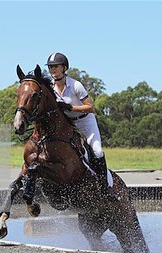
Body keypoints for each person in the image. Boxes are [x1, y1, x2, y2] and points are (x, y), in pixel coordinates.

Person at [45, 52, 113, 193]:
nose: (53, 70)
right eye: (51, 67)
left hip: (85, 120)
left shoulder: (76, 85)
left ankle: (104, 186)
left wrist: (71, 107)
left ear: (64, 68)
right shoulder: (50, 87)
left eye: (56, 67)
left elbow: (90, 107)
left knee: (97, 151)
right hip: (68, 123)